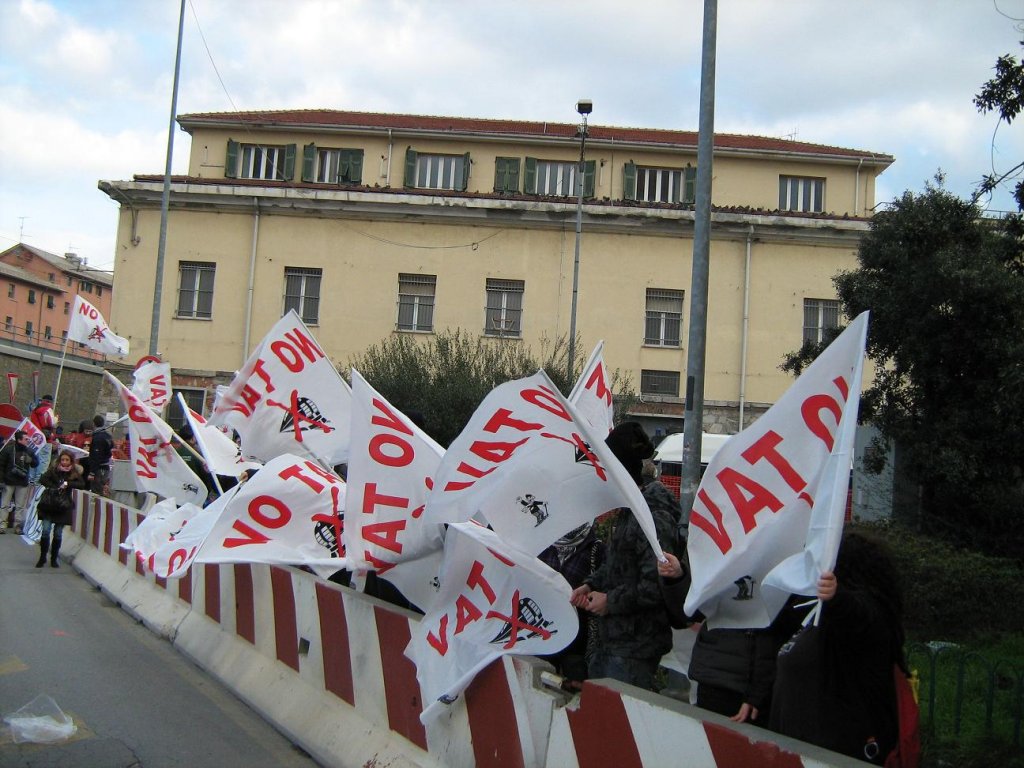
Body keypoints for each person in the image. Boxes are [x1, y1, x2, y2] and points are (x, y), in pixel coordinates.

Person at [769, 530, 906, 764]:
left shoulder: (870, 616)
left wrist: (836, 598)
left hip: (841, 751)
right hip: (797, 751)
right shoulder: (815, 617)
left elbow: (857, 615)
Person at [570, 421, 681, 691]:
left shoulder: (652, 517)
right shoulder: (631, 511)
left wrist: (610, 601)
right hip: (615, 641)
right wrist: (592, 584)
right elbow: (618, 566)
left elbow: (655, 584)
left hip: (635, 647)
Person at [539, 521, 606, 688]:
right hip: (539, 637)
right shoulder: (541, 544)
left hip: (575, 645)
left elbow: (603, 593)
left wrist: (588, 600)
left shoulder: (596, 551)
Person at [36, 450, 85, 567]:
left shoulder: (73, 473)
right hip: (49, 504)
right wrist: (55, 486)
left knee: (58, 533)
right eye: (62, 460)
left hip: (63, 506)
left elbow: (82, 484)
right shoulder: (54, 470)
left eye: (67, 460)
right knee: (46, 531)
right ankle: (42, 557)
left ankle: (54, 558)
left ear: (71, 461)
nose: (64, 462)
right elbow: (42, 479)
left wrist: (68, 484)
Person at [0, 431, 40, 534]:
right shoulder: (8, 449)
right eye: (26, 439)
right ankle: (2, 525)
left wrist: (30, 460)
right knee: (4, 504)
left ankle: (17, 526)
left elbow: (36, 464)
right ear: (19, 440)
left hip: (22, 482)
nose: (28, 441)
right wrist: (1, 481)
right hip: (8, 481)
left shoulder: (29, 451)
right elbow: (1, 465)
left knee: (20, 506)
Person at [87, 414, 114, 496]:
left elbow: (96, 455)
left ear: (94, 424)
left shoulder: (98, 437)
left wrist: (92, 472)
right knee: (102, 488)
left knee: (97, 491)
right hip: (105, 467)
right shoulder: (107, 436)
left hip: (99, 468)